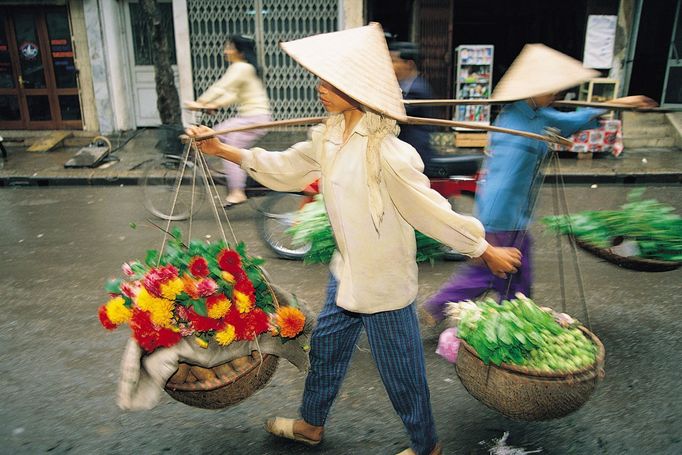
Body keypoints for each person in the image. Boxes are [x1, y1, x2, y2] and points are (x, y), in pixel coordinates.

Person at [187, 23, 521, 455]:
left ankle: (427, 447)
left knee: (401, 372)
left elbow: (430, 211)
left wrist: (483, 249)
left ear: (358, 89)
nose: (320, 88)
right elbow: (287, 167)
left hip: (383, 283)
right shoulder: (328, 136)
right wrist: (223, 150)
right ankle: (311, 424)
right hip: (346, 273)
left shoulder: (387, 152)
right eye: (321, 79)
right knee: (325, 351)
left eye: (331, 81)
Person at [423, 44, 658, 324]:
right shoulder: (516, 120)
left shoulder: (536, 115)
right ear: (531, 89)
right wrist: (487, 233)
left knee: (503, 273)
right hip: (502, 213)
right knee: (502, 272)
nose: (555, 94)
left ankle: (489, 313)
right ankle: (496, 315)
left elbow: (574, 119)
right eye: (550, 89)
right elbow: (505, 177)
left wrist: (622, 103)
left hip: (513, 211)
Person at [184, 34, 271, 207]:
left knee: (230, 149)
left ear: (240, 51)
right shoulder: (244, 69)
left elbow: (222, 87)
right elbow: (232, 94)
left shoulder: (241, 67)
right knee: (214, 134)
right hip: (250, 118)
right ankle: (239, 177)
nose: (226, 51)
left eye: (229, 47)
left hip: (254, 119)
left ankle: (237, 191)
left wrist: (200, 103)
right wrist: (214, 105)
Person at [388, 41, 437, 166]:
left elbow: (394, 112)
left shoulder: (418, 89)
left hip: (415, 153)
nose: (389, 65)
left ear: (409, 64)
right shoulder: (402, 85)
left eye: (394, 61)